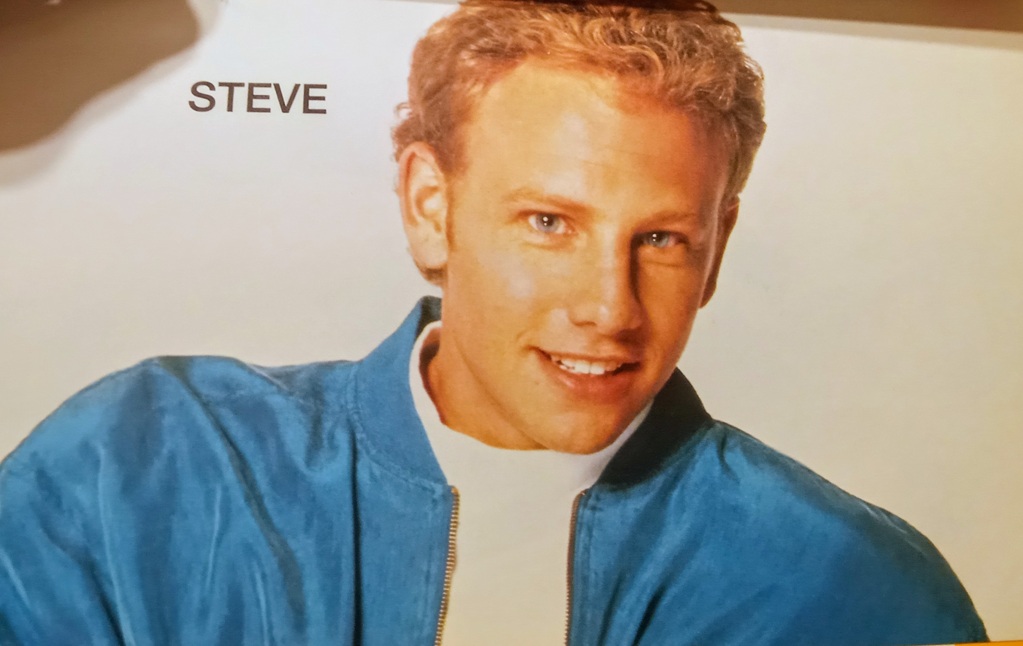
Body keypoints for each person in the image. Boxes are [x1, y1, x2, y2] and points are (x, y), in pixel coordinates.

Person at [0, 0, 987, 644]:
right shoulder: (138, 469)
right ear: (430, 205)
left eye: (661, 240)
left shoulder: (855, 585)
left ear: (717, 246)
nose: (608, 308)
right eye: (549, 223)